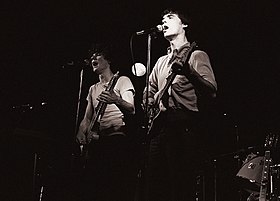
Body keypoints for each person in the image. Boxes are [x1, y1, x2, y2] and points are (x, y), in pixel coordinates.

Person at [142, 8, 218, 201]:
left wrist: (190, 72)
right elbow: (148, 92)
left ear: (184, 24)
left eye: (169, 17)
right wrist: (150, 102)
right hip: (159, 128)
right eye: (162, 18)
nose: (164, 21)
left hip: (183, 125)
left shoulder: (196, 55)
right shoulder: (160, 62)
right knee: (154, 186)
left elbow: (212, 90)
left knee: (180, 185)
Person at [76, 43, 136, 201]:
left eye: (97, 55)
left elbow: (131, 109)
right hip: (96, 142)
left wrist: (116, 99)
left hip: (116, 140)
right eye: (91, 57)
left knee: (114, 187)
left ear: (108, 60)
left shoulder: (122, 80)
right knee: (95, 188)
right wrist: (81, 131)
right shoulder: (92, 89)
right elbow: (87, 117)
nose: (92, 58)